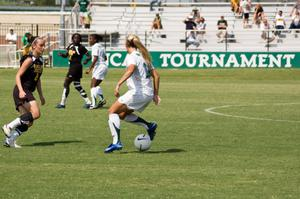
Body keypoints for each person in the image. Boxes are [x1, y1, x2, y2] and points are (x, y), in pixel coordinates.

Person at [104, 34, 160, 153]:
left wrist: (118, 84)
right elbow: (156, 76)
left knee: (112, 111)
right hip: (147, 94)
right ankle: (149, 126)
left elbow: (130, 69)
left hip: (137, 93)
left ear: (126, 44)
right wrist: (155, 94)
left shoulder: (132, 56)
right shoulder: (144, 56)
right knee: (122, 115)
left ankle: (116, 142)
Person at [2, 37, 46, 148]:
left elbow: (38, 79)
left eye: (44, 45)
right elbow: (18, 75)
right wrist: (21, 91)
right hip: (21, 90)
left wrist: (41, 95)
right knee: (36, 114)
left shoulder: (40, 61)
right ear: (34, 46)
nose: (43, 47)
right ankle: (9, 126)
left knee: (28, 121)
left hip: (27, 91)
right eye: (41, 45)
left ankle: (10, 141)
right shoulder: (29, 59)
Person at [56, 33, 92, 109]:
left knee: (66, 83)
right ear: (72, 39)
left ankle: (62, 104)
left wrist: (86, 60)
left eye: (78, 38)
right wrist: (62, 55)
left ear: (80, 40)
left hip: (76, 67)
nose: (76, 39)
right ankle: (88, 102)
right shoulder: (70, 46)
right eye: (75, 38)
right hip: (73, 67)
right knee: (77, 85)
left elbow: (89, 56)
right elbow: (66, 55)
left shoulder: (81, 47)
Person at [85, 34, 107, 110]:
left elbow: (95, 58)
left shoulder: (95, 46)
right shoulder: (101, 46)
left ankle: (93, 104)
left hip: (99, 67)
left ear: (95, 40)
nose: (89, 40)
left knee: (92, 86)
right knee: (95, 85)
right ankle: (102, 100)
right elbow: (105, 58)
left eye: (91, 38)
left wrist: (89, 69)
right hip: (103, 66)